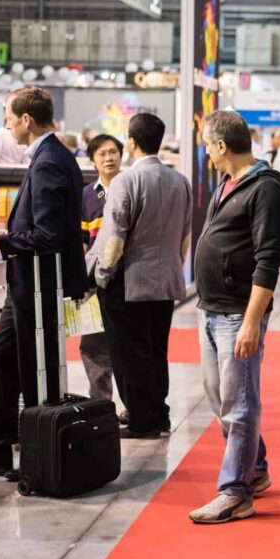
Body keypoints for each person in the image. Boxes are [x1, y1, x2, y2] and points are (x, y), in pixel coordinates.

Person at [0, 87, 88, 479]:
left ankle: (34, 456)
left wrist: (3, 241)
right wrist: (11, 232)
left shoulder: (49, 161)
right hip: (30, 283)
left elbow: (47, 235)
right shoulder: (54, 155)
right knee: (3, 361)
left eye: (9, 118)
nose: (6, 125)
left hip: (38, 284)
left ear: (27, 120)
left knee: (35, 371)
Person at [189, 111, 280, 524]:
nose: (207, 152)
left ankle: (236, 491)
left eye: (207, 144)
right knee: (220, 399)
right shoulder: (226, 185)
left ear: (220, 145)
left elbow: (269, 260)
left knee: (240, 404)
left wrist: (252, 320)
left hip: (235, 314)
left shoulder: (264, 188)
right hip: (210, 309)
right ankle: (256, 468)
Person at [91, 113, 193, 438]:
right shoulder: (180, 181)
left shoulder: (125, 181)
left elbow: (114, 238)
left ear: (131, 142)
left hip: (130, 281)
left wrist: (102, 276)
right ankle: (157, 414)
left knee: (129, 354)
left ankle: (141, 420)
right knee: (155, 349)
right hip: (166, 280)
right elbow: (185, 237)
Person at [78, 134, 123, 402]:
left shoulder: (131, 186)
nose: (109, 158)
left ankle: (136, 408)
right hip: (94, 284)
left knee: (127, 348)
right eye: (102, 154)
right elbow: (82, 242)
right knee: (94, 348)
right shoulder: (86, 196)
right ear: (93, 161)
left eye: (113, 152)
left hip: (126, 282)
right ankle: (101, 405)